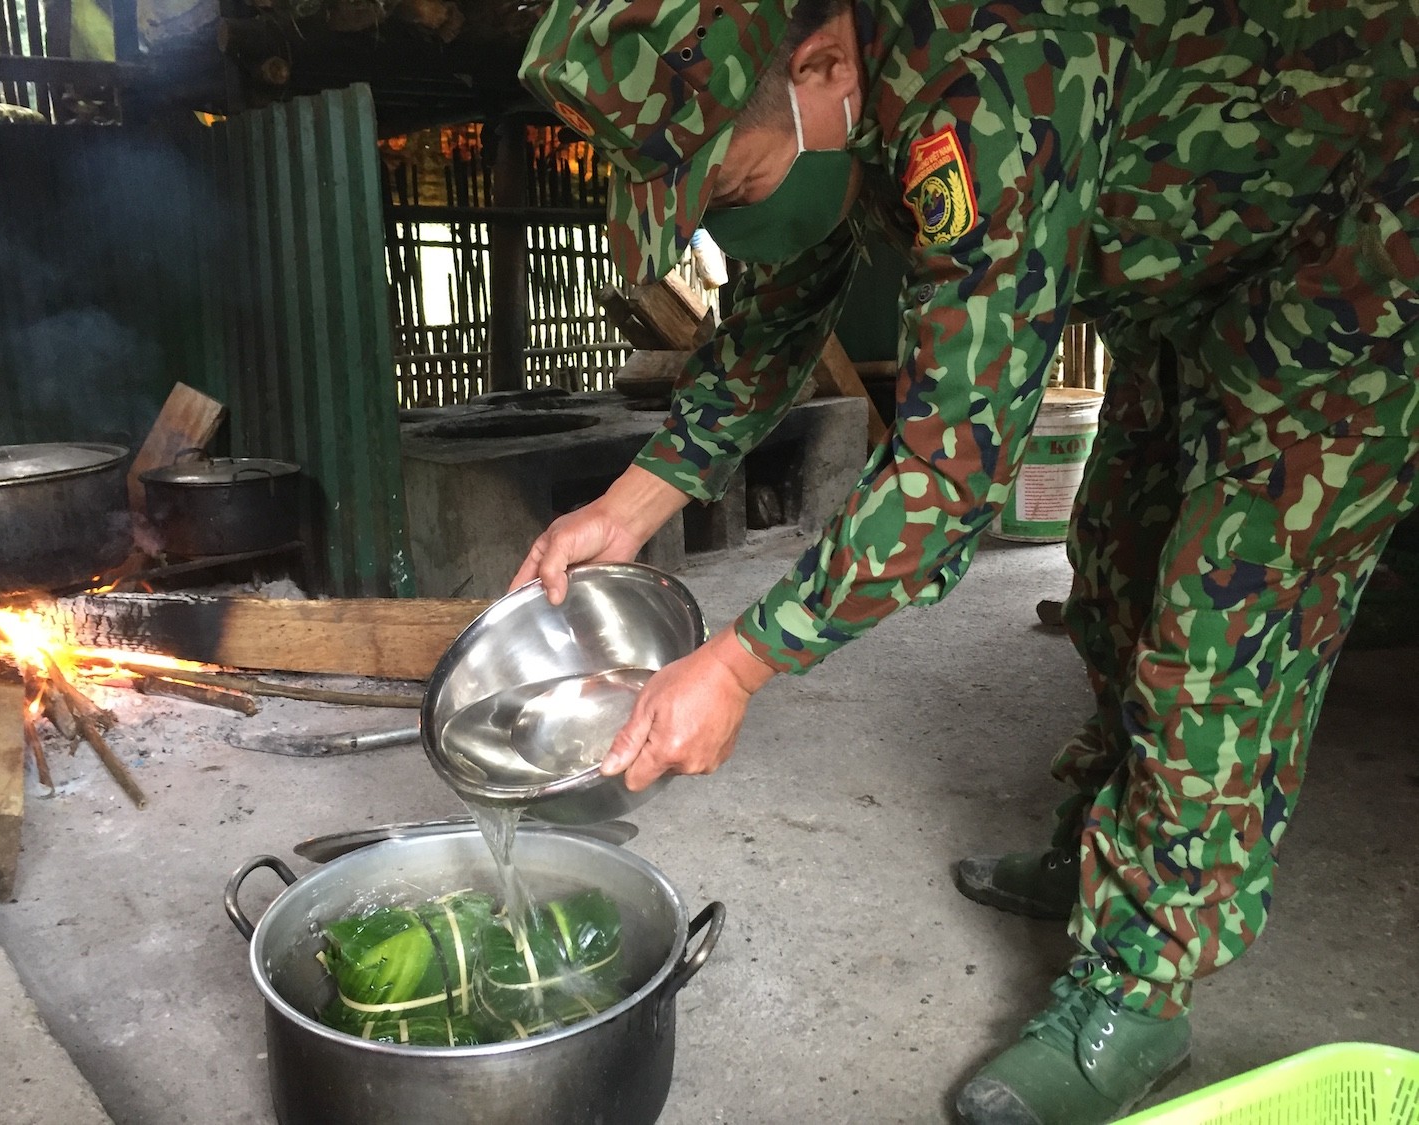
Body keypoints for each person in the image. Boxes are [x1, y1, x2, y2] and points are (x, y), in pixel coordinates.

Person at [512, 0, 1419, 1120]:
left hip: (1359, 254)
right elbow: (774, 317)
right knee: (1117, 551)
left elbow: (948, 478)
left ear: (825, 64)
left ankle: (1139, 987)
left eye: (728, 183)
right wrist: (627, 505)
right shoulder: (825, 106)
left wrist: (739, 664)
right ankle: (1105, 850)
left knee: (1220, 624)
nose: (724, 214)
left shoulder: (990, 90)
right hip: (1200, 270)